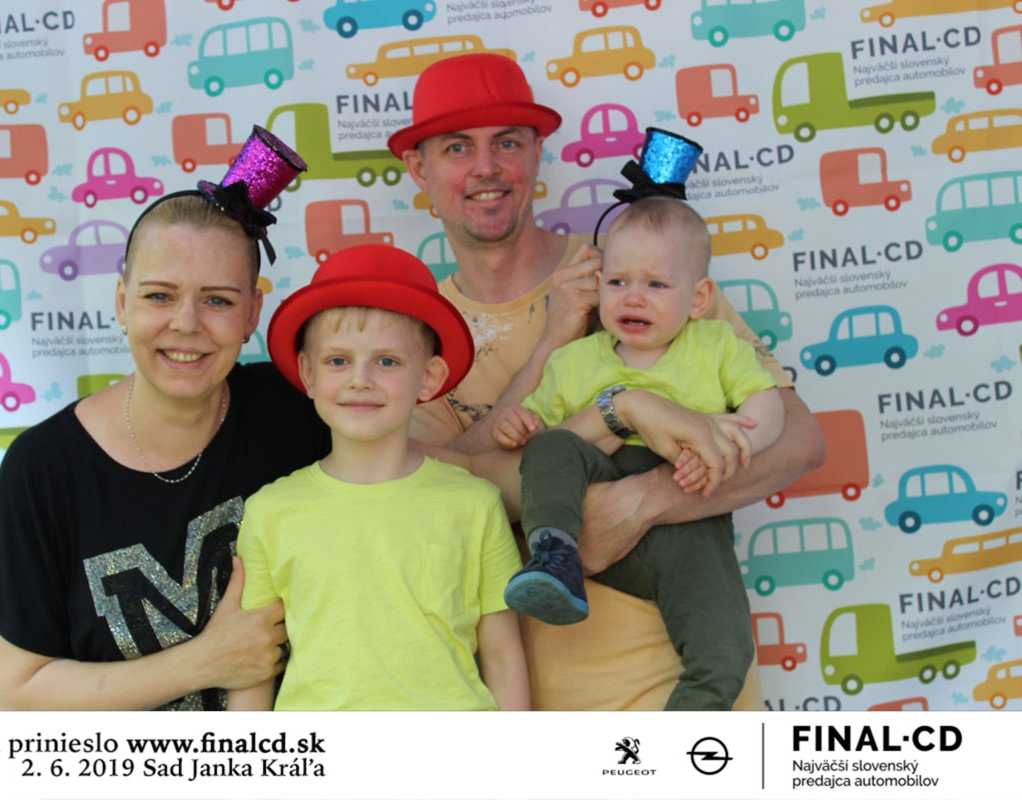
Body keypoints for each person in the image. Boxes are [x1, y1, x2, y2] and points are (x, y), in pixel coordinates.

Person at [390, 53, 827, 710]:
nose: (486, 168)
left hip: (683, 693)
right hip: (529, 710)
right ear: (418, 168)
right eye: (457, 147)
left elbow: (799, 441)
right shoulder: (414, 335)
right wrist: (584, 372)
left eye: (507, 142)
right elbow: (439, 499)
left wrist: (645, 499)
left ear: (537, 153)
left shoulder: (638, 267)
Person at [0, 128, 330, 710]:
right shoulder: (43, 468)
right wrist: (208, 660)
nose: (186, 324)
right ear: (121, 302)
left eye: (218, 300)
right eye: (160, 296)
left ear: (252, 313)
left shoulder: (299, 408)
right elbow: (19, 692)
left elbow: (409, 469)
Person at [493, 196, 784, 709]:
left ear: (698, 298)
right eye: (617, 281)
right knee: (553, 447)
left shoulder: (715, 345)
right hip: (595, 513)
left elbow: (769, 406)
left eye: (656, 285)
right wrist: (519, 424)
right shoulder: (574, 360)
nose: (634, 298)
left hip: (690, 523)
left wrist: (733, 441)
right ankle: (553, 554)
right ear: (598, 285)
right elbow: (541, 445)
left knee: (725, 653)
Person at [228, 244, 528, 711]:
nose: (360, 379)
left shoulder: (475, 503)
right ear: (307, 373)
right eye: (337, 361)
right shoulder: (269, 512)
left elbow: (504, 657)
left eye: (387, 361)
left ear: (429, 377)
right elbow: (253, 667)